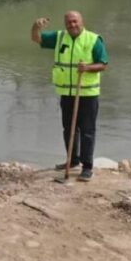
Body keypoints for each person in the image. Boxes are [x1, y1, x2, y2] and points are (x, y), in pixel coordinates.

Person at [31, 11, 108, 182]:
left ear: (82, 21)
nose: (72, 25)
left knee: (87, 130)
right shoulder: (59, 37)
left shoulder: (94, 39)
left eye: (75, 21)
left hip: (87, 92)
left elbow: (103, 64)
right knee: (69, 128)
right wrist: (35, 27)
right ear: (65, 24)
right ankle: (72, 161)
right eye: (69, 22)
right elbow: (37, 39)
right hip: (67, 93)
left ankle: (87, 167)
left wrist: (87, 68)